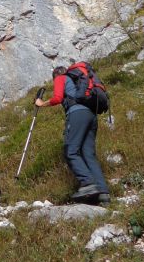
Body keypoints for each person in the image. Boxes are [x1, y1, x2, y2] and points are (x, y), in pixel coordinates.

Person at [35, 66, 109, 204]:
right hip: (91, 115)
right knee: (89, 154)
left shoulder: (60, 78)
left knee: (71, 151)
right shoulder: (79, 81)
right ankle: (103, 194)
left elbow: (57, 98)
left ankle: (88, 184)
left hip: (77, 114)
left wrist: (41, 103)